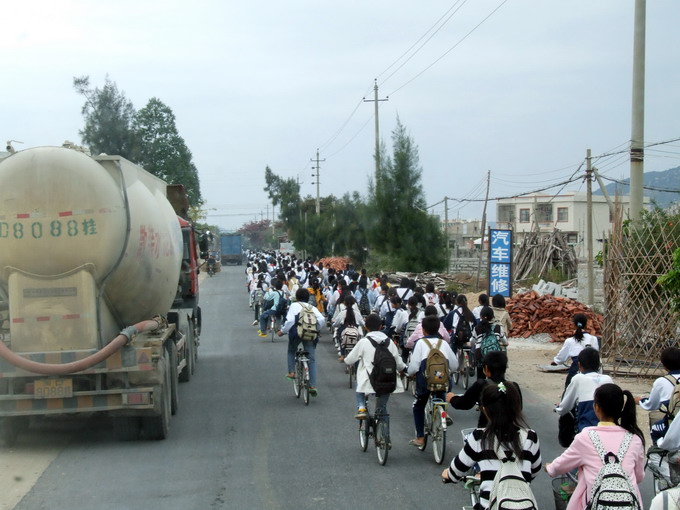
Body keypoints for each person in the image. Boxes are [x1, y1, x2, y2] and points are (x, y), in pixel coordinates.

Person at [441, 383, 542, 510]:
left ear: (485, 410)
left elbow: (456, 470)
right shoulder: (530, 437)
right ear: (517, 407)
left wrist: (448, 475)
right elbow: (535, 470)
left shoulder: (479, 438)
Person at [546, 383, 645, 510]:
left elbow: (559, 466)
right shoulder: (635, 439)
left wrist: (550, 467)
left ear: (596, 407)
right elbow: (639, 477)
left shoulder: (585, 437)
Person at [343, 313, 406, 424]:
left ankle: (361, 407)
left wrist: (346, 360)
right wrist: (405, 369)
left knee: (360, 383)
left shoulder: (363, 342)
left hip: (368, 382)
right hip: (387, 380)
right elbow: (398, 363)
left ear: (366, 327)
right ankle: (385, 438)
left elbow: (349, 360)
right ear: (381, 327)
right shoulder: (389, 342)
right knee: (382, 409)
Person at [407, 316, 458, 447]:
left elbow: (414, 367)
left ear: (423, 330)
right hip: (442, 382)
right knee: (440, 399)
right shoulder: (444, 344)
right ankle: (443, 412)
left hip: (425, 382)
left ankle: (420, 437)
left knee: (418, 406)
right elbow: (454, 366)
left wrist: (409, 373)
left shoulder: (420, 343)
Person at [446, 350, 522, 428]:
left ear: (486, 368)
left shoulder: (482, 385)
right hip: (511, 433)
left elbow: (465, 403)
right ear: (505, 368)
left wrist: (452, 398)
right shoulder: (514, 386)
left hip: (487, 431)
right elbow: (519, 409)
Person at [278, 287, 326, 396]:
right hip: (310, 334)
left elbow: (290, 321)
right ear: (308, 297)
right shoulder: (312, 307)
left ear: (297, 297)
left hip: (297, 333)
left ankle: (291, 372)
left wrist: (282, 331)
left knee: (291, 351)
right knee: (312, 359)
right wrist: (316, 329)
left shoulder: (294, 306)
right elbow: (322, 320)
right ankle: (312, 385)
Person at [555, 347, 613, 433]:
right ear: (599, 365)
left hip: (586, 431)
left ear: (579, 365)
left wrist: (558, 408)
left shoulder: (578, 378)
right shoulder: (608, 379)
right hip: (608, 430)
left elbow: (564, 408)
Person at [635, 347, 680, 444]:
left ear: (664, 365)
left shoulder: (661, 381)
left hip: (671, 421)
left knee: (655, 429)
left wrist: (640, 401)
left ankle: (659, 453)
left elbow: (652, 405)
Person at [551, 313, 599, 388]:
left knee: (569, 388)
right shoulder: (593, 339)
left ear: (574, 325)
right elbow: (596, 354)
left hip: (577, 369)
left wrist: (556, 361)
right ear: (586, 325)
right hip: (592, 370)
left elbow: (562, 356)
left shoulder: (570, 341)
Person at [471, 307, 506, 379]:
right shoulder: (498, 328)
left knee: (480, 381)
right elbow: (505, 341)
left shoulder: (477, 328)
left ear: (480, 316)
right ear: (493, 317)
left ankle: (481, 389)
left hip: (481, 356)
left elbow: (472, 341)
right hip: (495, 357)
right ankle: (501, 389)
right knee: (498, 380)